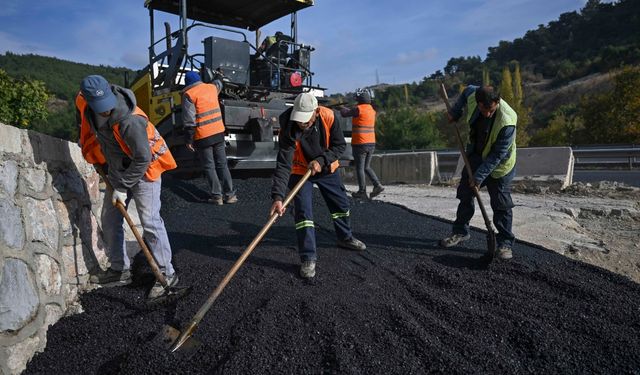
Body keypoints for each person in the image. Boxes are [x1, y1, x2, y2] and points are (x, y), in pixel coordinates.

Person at [76, 75, 179, 298]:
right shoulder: (85, 105)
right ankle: (119, 269)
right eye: (100, 108)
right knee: (110, 218)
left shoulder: (130, 120)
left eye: (107, 106)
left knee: (149, 220)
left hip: (145, 169)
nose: (105, 111)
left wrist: (121, 188)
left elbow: (143, 158)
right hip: (117, 170)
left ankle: (167, 273)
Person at [270, 92, 367, 278]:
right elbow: (283, 164)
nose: (302, 124)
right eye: (299, 120)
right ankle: (308, 257)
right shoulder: (288, 128)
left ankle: (345, 237)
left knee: (341, 206)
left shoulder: (329, 116)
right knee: (303, 213)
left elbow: (339, 147)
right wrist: (278, 197)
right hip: (300, 172)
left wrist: (321, 160)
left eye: (306, 120)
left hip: (327, 168)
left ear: (315, 112)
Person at [440, 85, 517, 260]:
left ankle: (505, 243)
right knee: (465, 194)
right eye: (482, 110)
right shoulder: (474, 95)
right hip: (476, 154)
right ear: (478, 102)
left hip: (500, 165)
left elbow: (498, 154)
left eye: (489, 110)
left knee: (501, 204)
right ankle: (460, 232)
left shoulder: (508, 120)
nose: (486, 114)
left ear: (497, 102)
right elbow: (466, 90)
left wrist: (479, 177)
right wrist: (456, 112)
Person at [182, 71, 237, 205]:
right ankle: (230, 195)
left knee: (209, 166)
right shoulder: (211, 88)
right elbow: (219, 83)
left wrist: (188, 140)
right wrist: (219, 74)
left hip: (203, 136)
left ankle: (217, 197)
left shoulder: (188, 95)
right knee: (222, 164)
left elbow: (189, 120)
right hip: (218, 132)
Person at [340, 89, 384, 200]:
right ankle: (377, 185)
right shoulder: (371, 110)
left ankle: (362, 191)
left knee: (360, 168)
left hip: (360, 143)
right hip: (371, 143)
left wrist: (341, 108)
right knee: (366, 167)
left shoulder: (358, 109)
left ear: (359, 99)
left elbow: (345, 114)